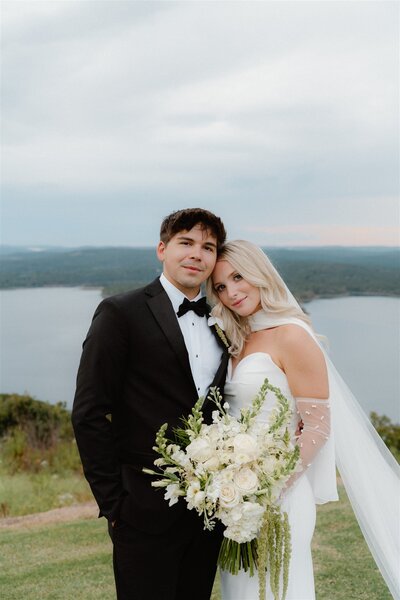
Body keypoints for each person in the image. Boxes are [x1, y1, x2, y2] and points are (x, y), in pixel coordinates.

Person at [207, 240, 400, 600]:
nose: (232, 292)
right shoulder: (238, 338)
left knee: (279, 590)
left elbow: (317, 427)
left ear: (259, 275)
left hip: (280, 495)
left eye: (238, 277)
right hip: (236, 499)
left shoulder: (292, 335)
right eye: (220, 286)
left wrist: (268, 486)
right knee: (240, 590)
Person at [72, 208, 230, 600]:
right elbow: (89, 413)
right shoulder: (120, 312)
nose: (197, 254)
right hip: (141, 513)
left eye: (208, 247)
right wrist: (115, 505)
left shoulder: (224, 319)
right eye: (186, 243)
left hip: (210, 513)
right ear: (162, 249)